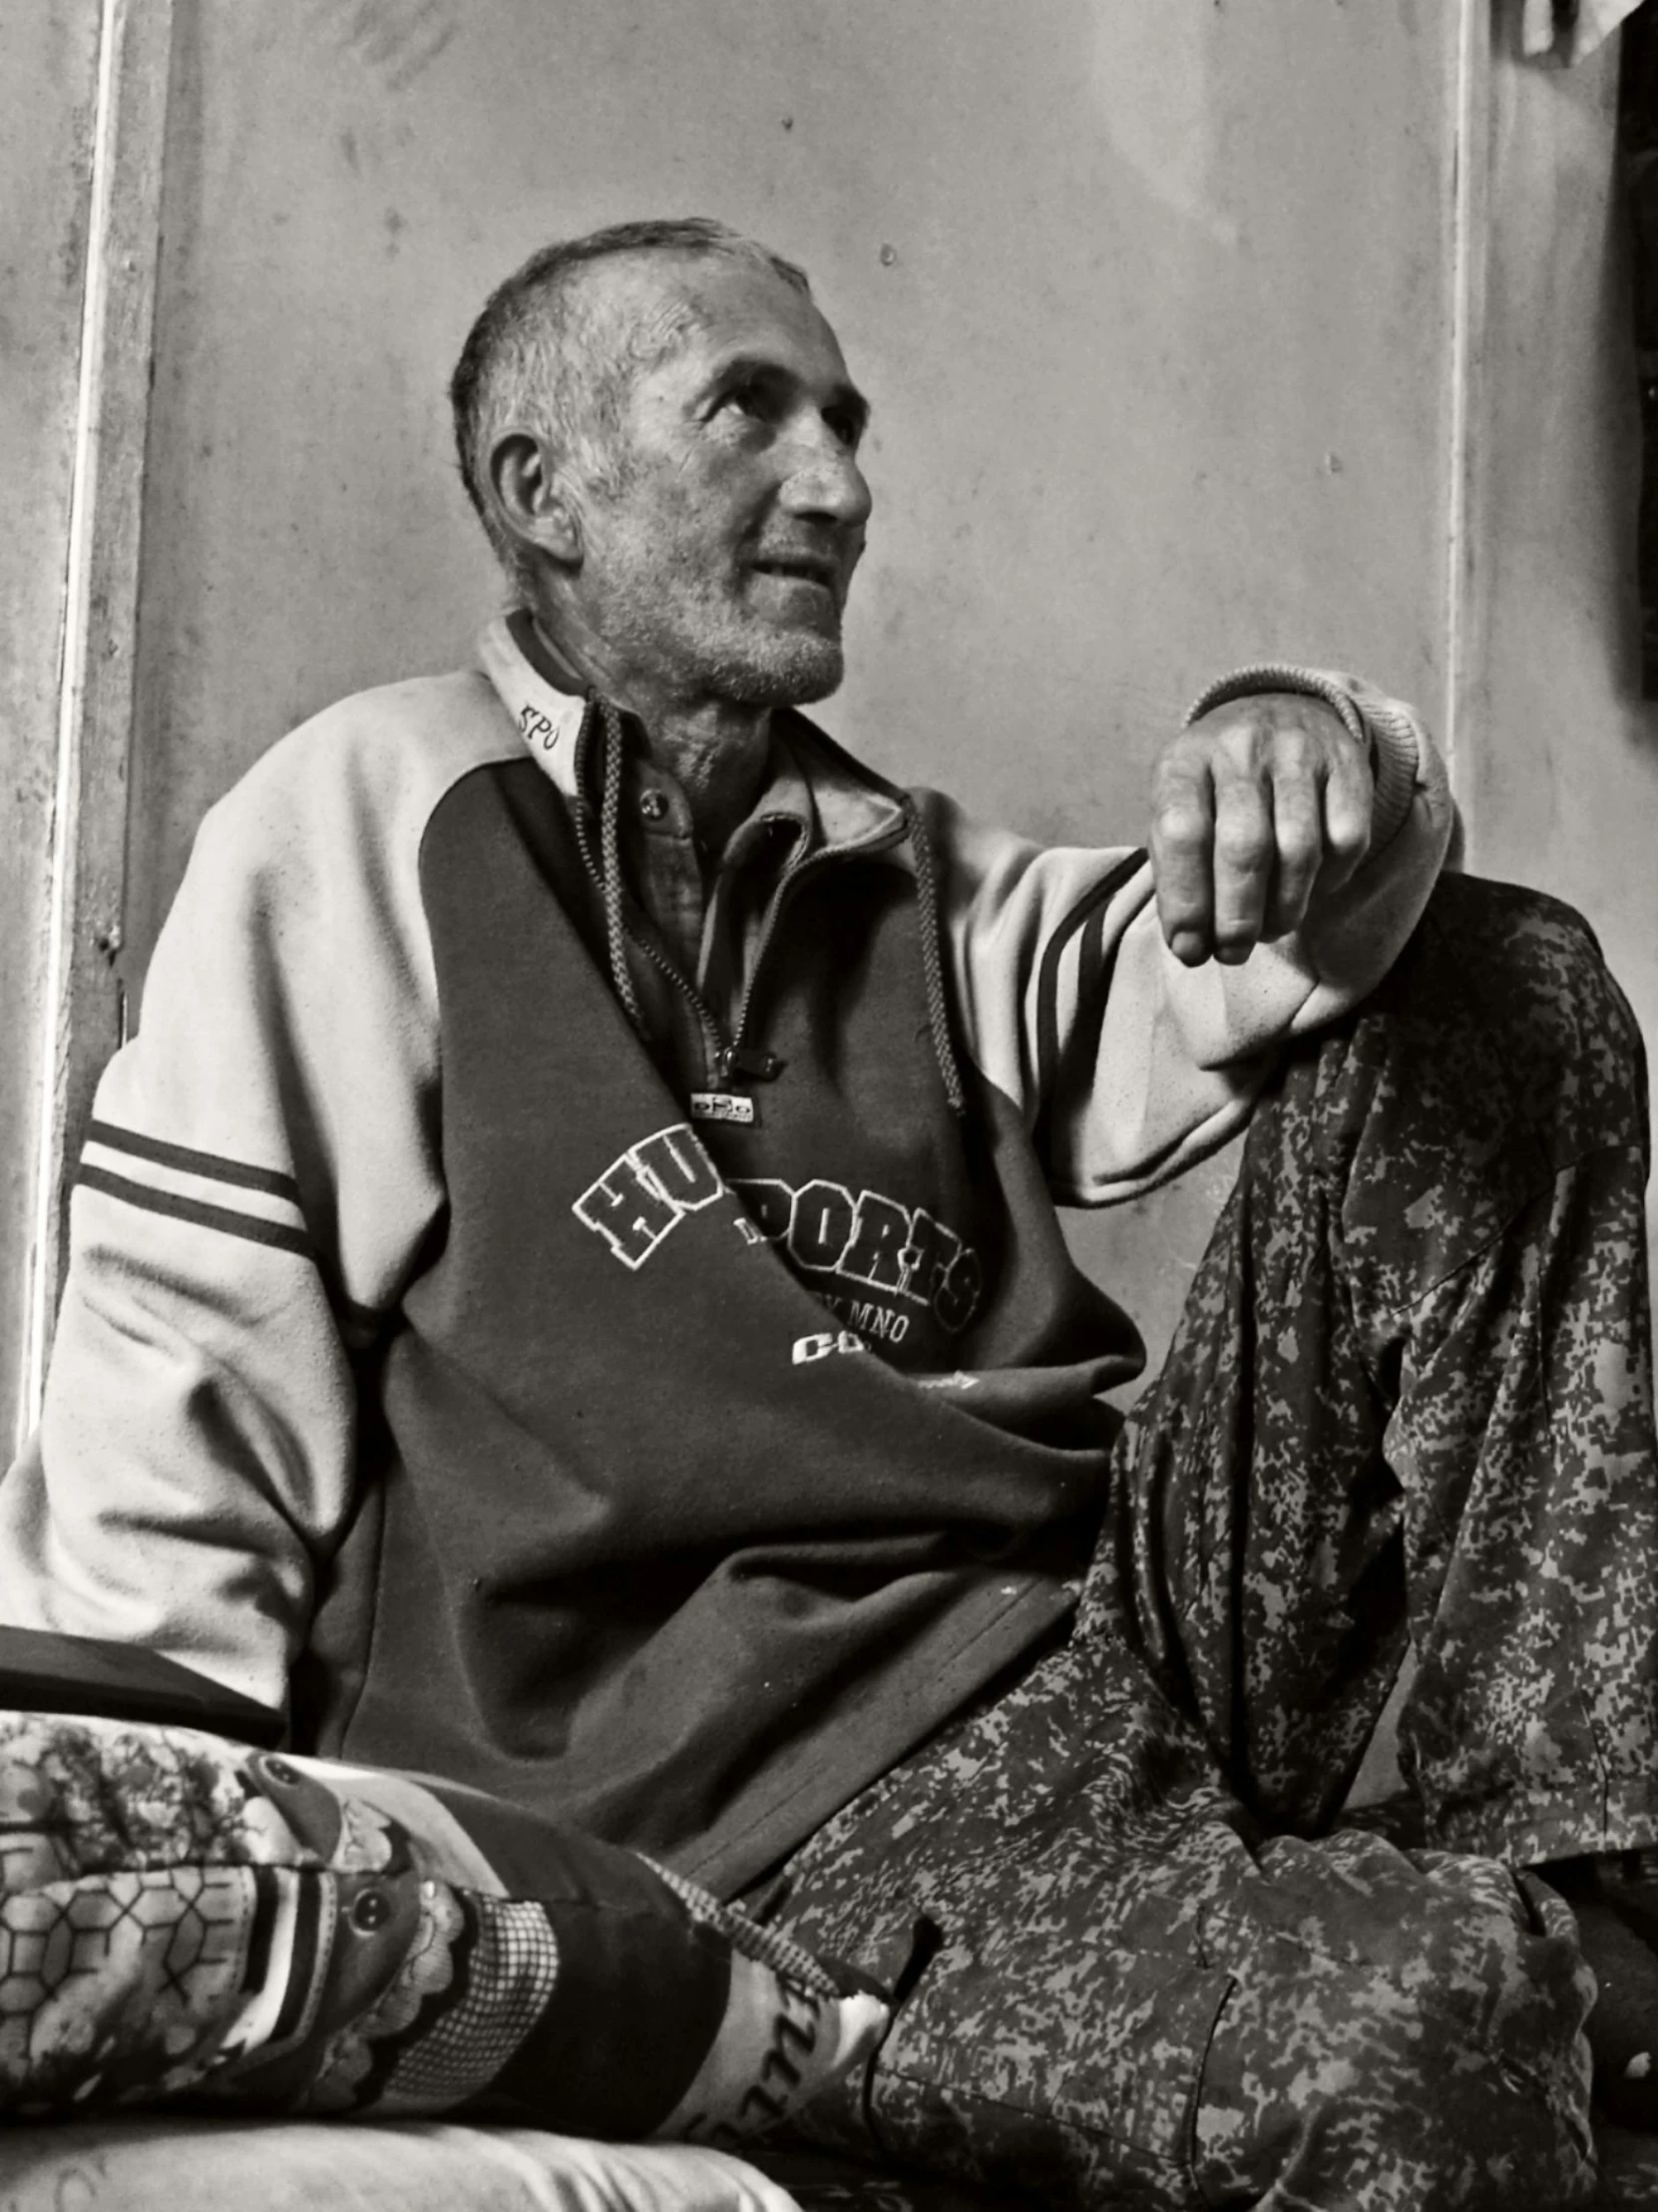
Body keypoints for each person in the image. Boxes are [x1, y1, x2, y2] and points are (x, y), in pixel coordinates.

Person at [2, 215, 1655, 2207]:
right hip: (794, 1819)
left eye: (849, 422)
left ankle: (1586, 1859)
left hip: (1119, 1633)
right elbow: (173, 1441)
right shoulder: (365, 820)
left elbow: (1258, 957)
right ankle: (1527, 1964)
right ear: (546, 495)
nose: (842, 483)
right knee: (1422, 2015)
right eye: (749, 410)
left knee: (1505, 974)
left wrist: (1307, 737)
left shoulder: (904, 865)